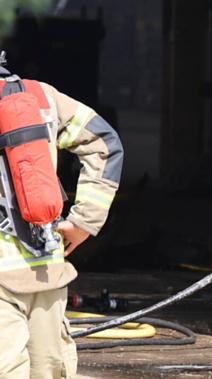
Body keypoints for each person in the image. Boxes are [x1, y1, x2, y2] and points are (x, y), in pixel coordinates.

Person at [0, 55, 123, 379]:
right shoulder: (42, 96)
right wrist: (84, 221)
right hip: (46, 267)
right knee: (50, 370)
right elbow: (105, 143)